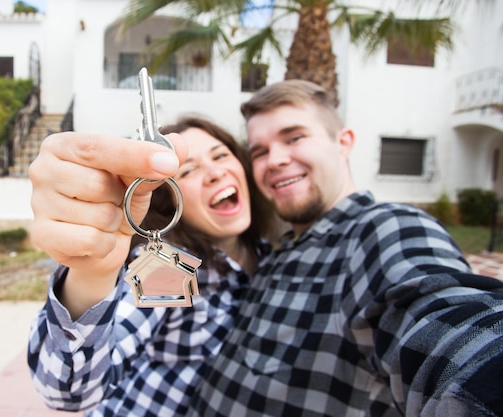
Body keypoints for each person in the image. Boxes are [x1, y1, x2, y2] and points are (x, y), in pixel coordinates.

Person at [185, 80, 503, 416]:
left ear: (343, 142)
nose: (275, 160)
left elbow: (447, 324)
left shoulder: (381, 229)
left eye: (294, 137)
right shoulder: (273, 257)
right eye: (260, 151)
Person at [27, 116, 275, 416]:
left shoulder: (271, 252)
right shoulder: (167, 267)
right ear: (170, 199)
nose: (214, 173)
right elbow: (71, 391)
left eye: (221, 155)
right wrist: (93, 273)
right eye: (189, 170)